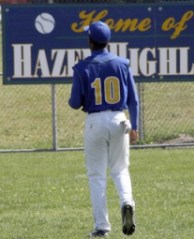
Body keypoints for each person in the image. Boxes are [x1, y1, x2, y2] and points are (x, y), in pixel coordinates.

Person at [68, 21, 139, 238]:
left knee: (97, 176)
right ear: (107, 41)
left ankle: (102, 228)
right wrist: (134, 126)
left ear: (90, 41)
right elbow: (133, 100)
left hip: (95, 121)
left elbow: (74, 102)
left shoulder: (82, 67)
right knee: (120, 170)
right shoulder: (122, 63)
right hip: (120, 119)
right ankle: (127, 202)